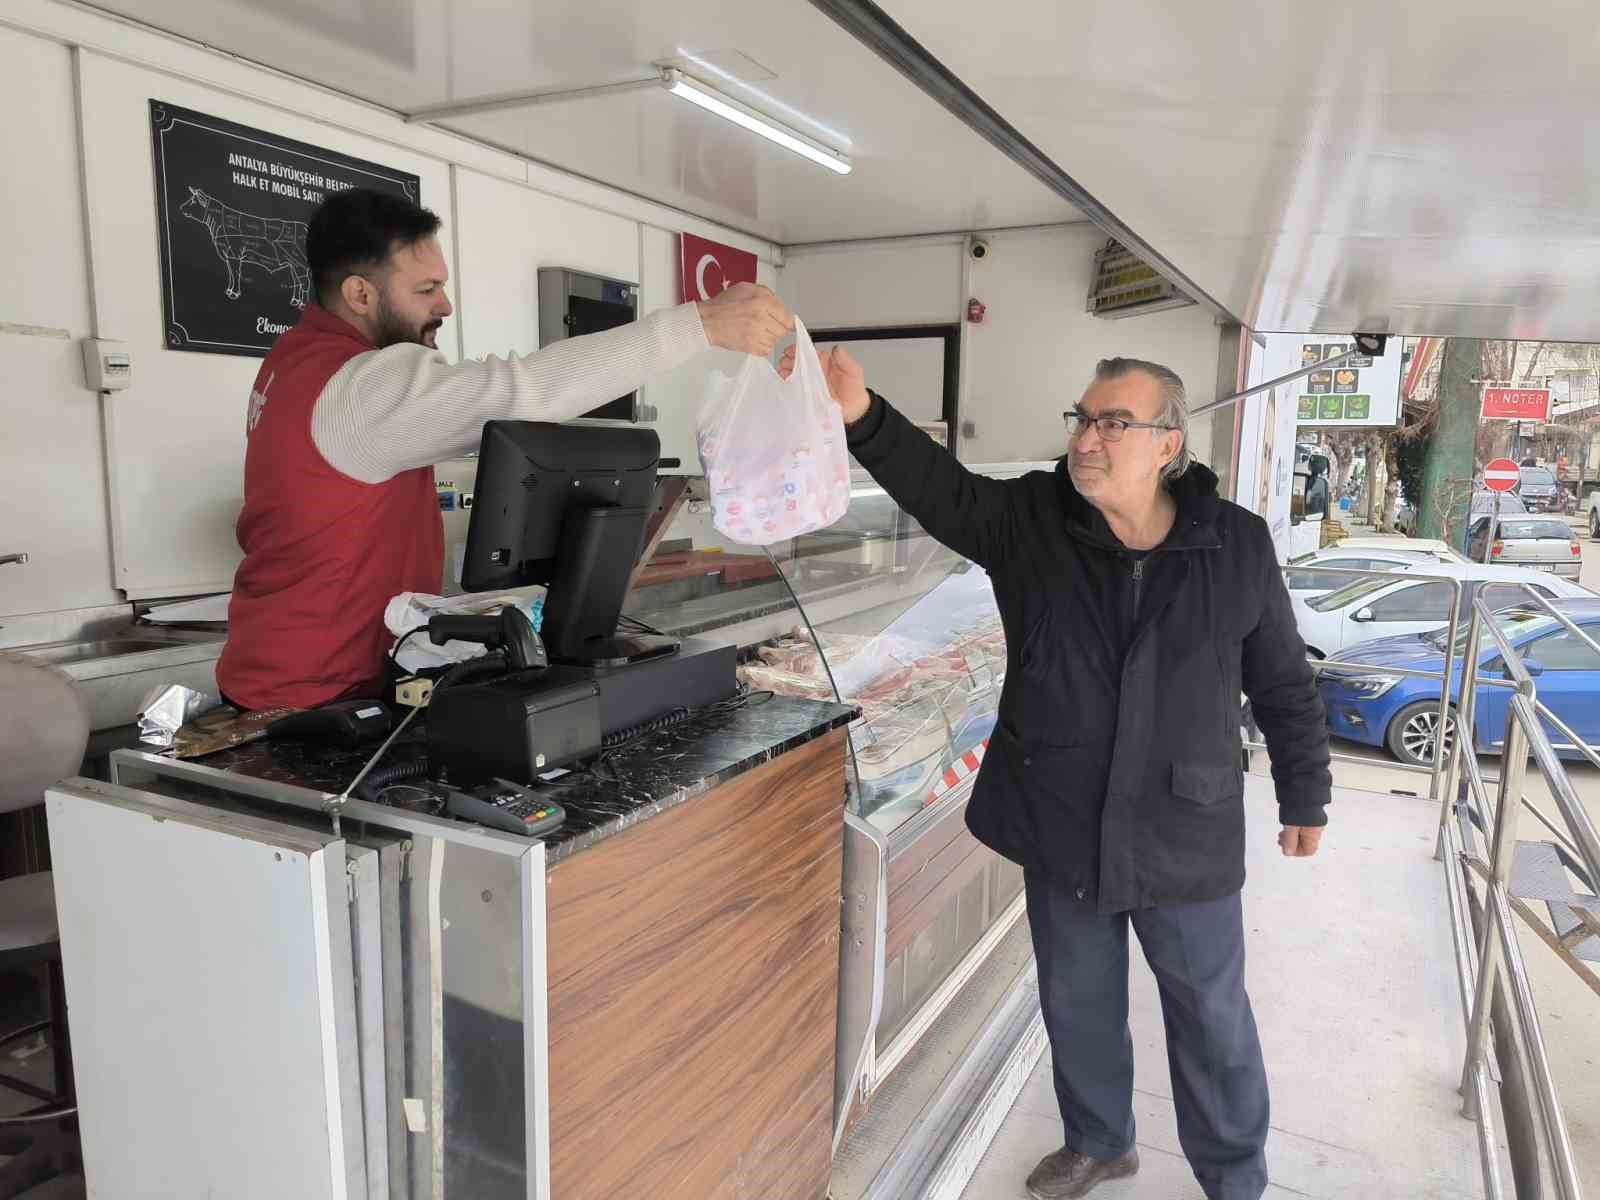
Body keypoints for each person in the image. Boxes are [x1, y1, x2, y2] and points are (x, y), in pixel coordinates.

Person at [782, 346, 1332, 1200]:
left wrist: (1306, 793)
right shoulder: (1033, 521)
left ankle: (1234, 1177)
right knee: (1078, 1002)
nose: (1086, 439)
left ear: (1167, 443)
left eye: (1114, 423)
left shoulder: (1236, 543)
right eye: (1082, 419)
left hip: (1185, 825)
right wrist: (862, 414)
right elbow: (943, 491)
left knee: (1211, 1015)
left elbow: (1284, 683)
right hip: (1064, 814)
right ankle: (1100, 1142)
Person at [217, 188, 791, 711]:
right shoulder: (357, 390)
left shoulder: (300, 362)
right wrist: (700, 324)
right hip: (309, 700)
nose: (445, 305)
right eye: (425, 290)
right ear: (360, 294)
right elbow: (524, 390)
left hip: (295, 680)